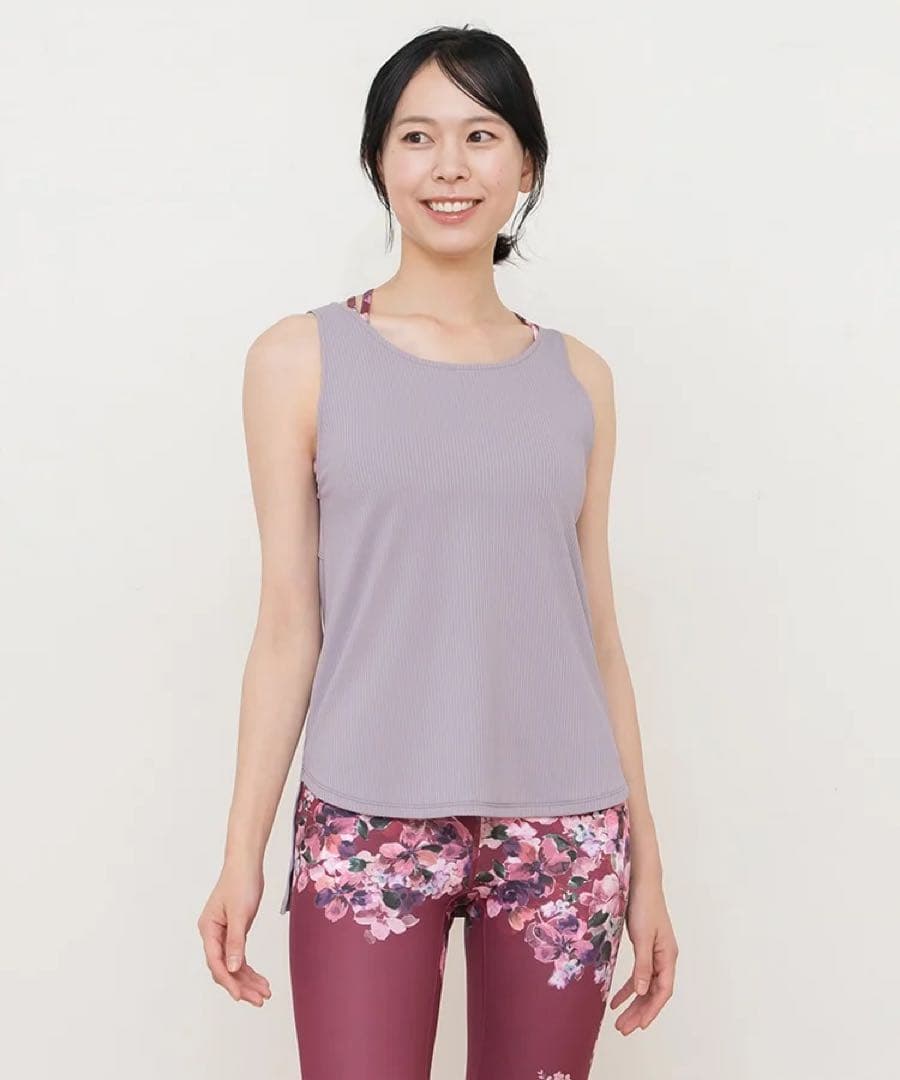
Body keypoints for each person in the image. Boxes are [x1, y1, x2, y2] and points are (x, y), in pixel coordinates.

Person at [197, 23, 678, 1079]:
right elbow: (286, 626)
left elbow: (598, 635)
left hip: (564, 829)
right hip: (365, 816)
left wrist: (648, 864)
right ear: (378, 161)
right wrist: (242, 851)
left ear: (527, 166)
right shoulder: (300, 359)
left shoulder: (580, 380)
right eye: (417, 136)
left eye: (481, 134)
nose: (449, 166)